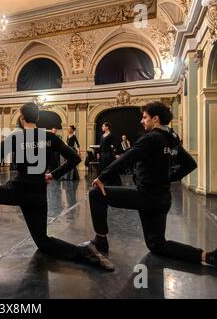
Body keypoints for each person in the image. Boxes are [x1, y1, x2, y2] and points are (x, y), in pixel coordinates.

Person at [0, 102, 114, 271]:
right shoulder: (49, 137)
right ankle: (84, 252)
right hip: (38, 195)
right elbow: (75, 157)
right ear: (37, 119)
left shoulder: (17, 137)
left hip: (17, 191)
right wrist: (53, 175)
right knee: (43, 242)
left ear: (21, 118)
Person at [84, 102, 217, 267]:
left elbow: (129, 157)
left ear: (155, 119)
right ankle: (207, 257)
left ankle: (100, 240)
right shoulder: (171, 139)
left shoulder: (152, 137)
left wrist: (102, 177)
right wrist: (167, 178)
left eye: (145, 117)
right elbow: (190, 164)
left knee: (96, 194)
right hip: (162, 199)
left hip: (146, 197)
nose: (142, 121)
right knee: (157, 245)